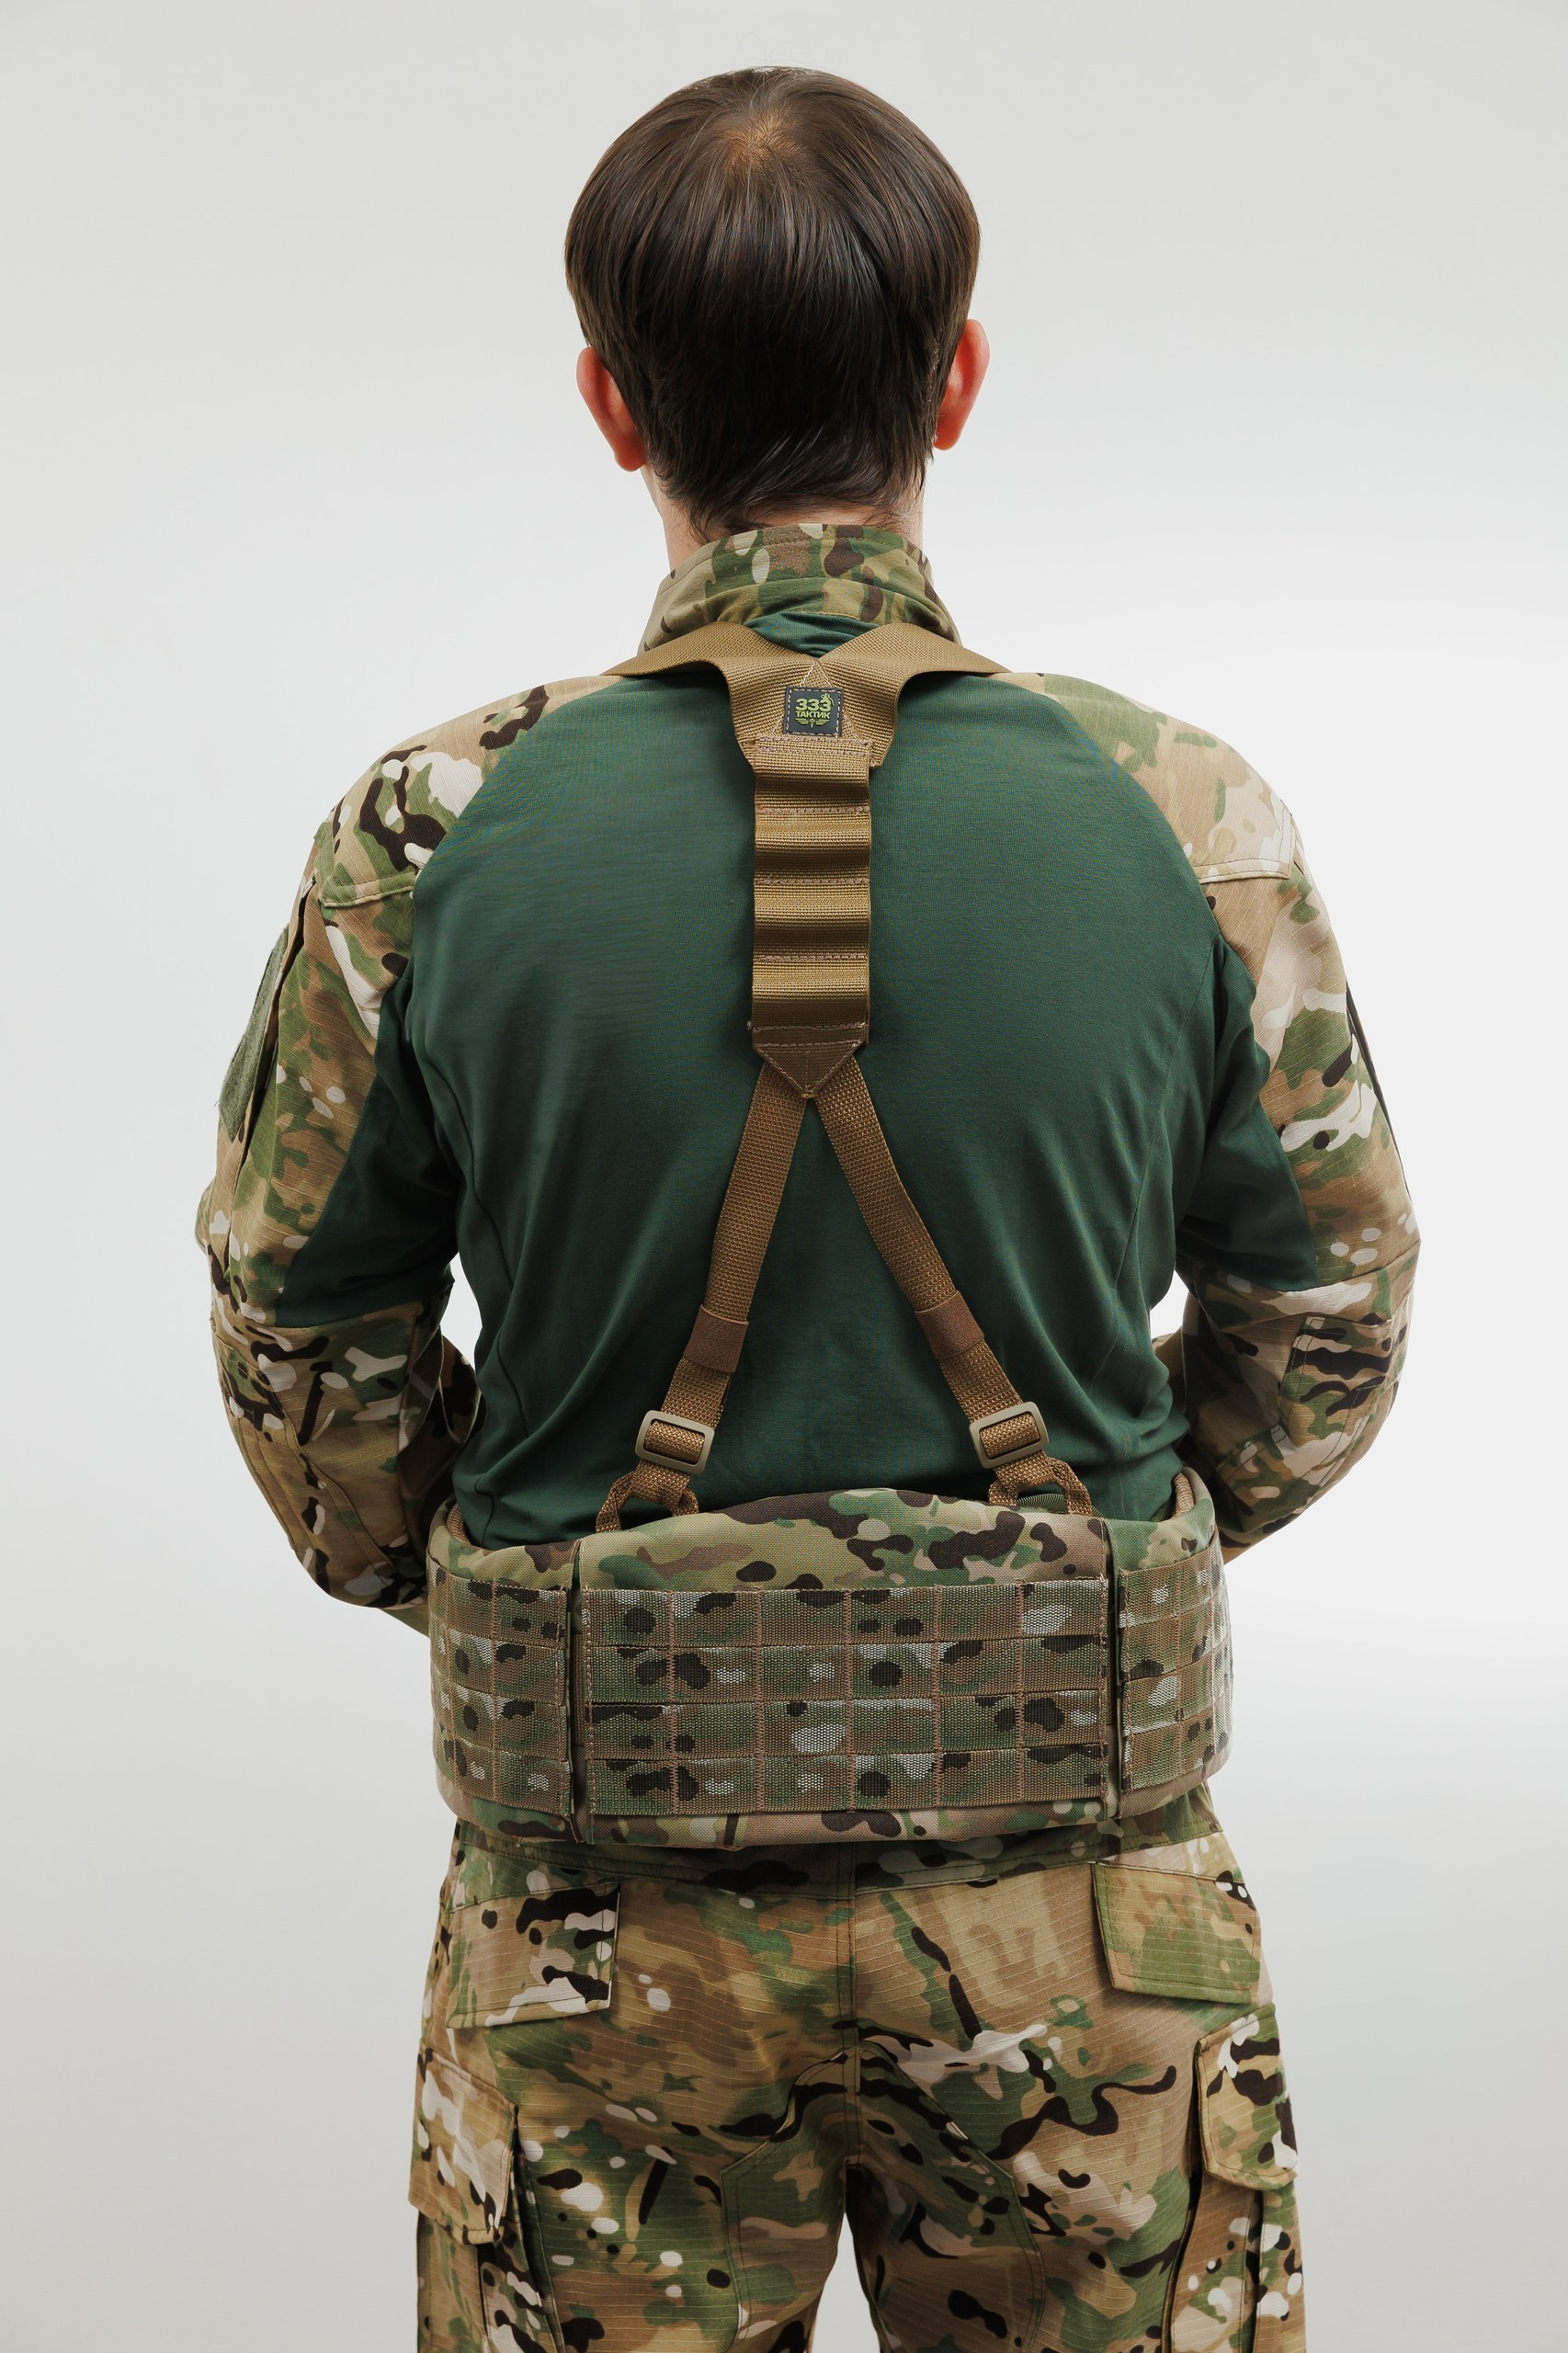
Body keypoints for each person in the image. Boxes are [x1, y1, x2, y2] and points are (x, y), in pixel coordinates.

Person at [198, 65, 1415, 2353]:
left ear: (607, 402)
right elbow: (1331, 1302)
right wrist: (1092, 1561)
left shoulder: (434, 832)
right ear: (956, 381)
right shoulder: (1180, 814)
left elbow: (297, 1318)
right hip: (1085, 1923)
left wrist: (521, 1573)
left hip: (598, 1944)